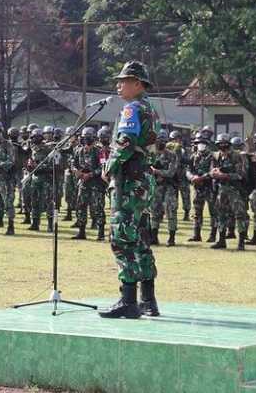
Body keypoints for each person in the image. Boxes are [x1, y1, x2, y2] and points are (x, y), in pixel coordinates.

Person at [99, 61, 159, 319]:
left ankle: (128, 301)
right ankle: (148, 300)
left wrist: (109, 165)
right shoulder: (149, 107)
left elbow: (125, 142)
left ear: (137, 84)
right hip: (143, 180)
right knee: (141, 239)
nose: (118, 85)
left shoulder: (132, 108)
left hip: (129, 182)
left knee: (122, 237)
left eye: (123, 81)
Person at [209, 133, 248, 250]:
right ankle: (221, 240)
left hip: (234, 190)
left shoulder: (237, 156)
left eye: (224, 143)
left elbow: (240, 175)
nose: (222, 146)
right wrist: (214, 173)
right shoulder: (216, 156)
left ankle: (241, 242)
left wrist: (224, 175)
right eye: (220, 144)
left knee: (239, 214)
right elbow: (211, 171)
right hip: (221, 189)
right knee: (220, 215)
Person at [71, 127, 107, 241]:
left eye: (88, 138)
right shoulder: (78, 151)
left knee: (98, 207)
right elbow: (73, 163)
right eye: (84, 138)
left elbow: (103, 166)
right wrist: (76, 171)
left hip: (96, 183)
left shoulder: (99, 151)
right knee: (80, 206)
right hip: (83, 183)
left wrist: (91, 174)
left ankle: (100, 233)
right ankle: (81, 232)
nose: (86, 140)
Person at [150, 130, 179, 246]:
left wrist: (156, 171)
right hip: (156, 187)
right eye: (159, 141)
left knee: (171, 211)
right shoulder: (151, 155)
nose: (160, 143)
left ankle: (171, 238)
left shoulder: (172, 155)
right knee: (154, 212)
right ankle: (154, 237)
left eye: (163, 141)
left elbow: (171, 173)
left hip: (169, 187)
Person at [186, 133, 214, 242]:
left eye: (202, 143)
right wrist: (192, 177)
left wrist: (201, 178)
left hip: (210, 187)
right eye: (198, 143)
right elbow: (188, 170)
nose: (200, 145)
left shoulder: (212, 156)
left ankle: (212, 235)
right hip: (197, 188)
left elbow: (213, 171)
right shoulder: (193, 156)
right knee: (197, 212)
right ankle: (196, 234)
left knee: (213, 212)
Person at [27, 128, 54, 232]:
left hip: (46, 179)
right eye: (33, 137)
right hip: (35, 178)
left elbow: (52, 164)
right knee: (34, 201)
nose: (35, 139)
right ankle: (35, 223)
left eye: (37, 137)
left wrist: (38, 166)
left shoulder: (48, 149)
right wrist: (30, 165)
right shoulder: (32, 149)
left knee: (48, 202)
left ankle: (50, 224)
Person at [167, 130, 191, 222]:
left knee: (185, 196)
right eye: (173, 139)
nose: (176, 141)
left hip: (182, 176)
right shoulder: (168, 150)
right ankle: (173, 213)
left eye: (177, 139)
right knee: (173, 197)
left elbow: (186, 160)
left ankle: (186, 213)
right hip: (173, 177)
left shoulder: (183, 149)